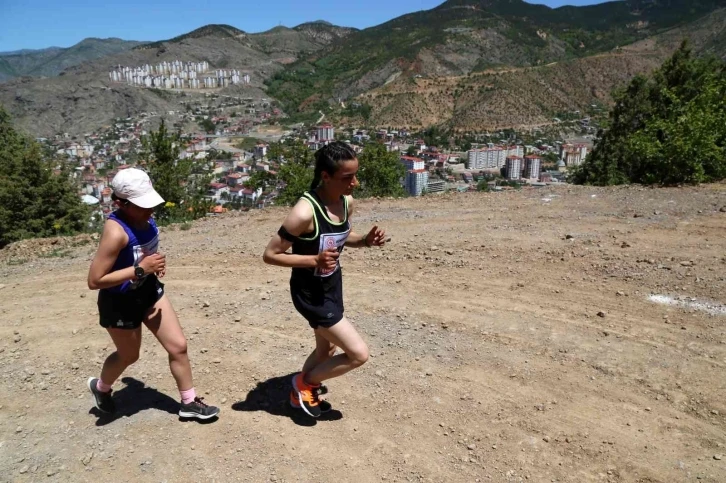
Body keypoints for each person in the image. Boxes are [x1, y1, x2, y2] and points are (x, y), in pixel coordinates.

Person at [263, 141, 387, 417]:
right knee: (358, 354)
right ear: (326, 176)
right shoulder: (304, 212)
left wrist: (365, 241)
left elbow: (343, 239)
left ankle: (300, 396)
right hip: (310, 293)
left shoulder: (346, 202)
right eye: (347, 178)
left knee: (326, 349)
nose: (354, 183)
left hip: (332, 287)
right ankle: (304, 383)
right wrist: (313, 261)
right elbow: (270, 255)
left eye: (355, 175)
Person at [86, 167, 219, 420]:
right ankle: (101, 388)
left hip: (148, 290)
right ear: (121, 203)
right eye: (141, 204)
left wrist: (153, 265)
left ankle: (189, 402)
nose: (150, 210)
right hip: (119, 301)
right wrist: (139, 269)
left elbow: (142, 253)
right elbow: (95, 280)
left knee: (178, 346)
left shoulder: (147, 219)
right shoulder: (115, 232)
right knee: (129, 355)